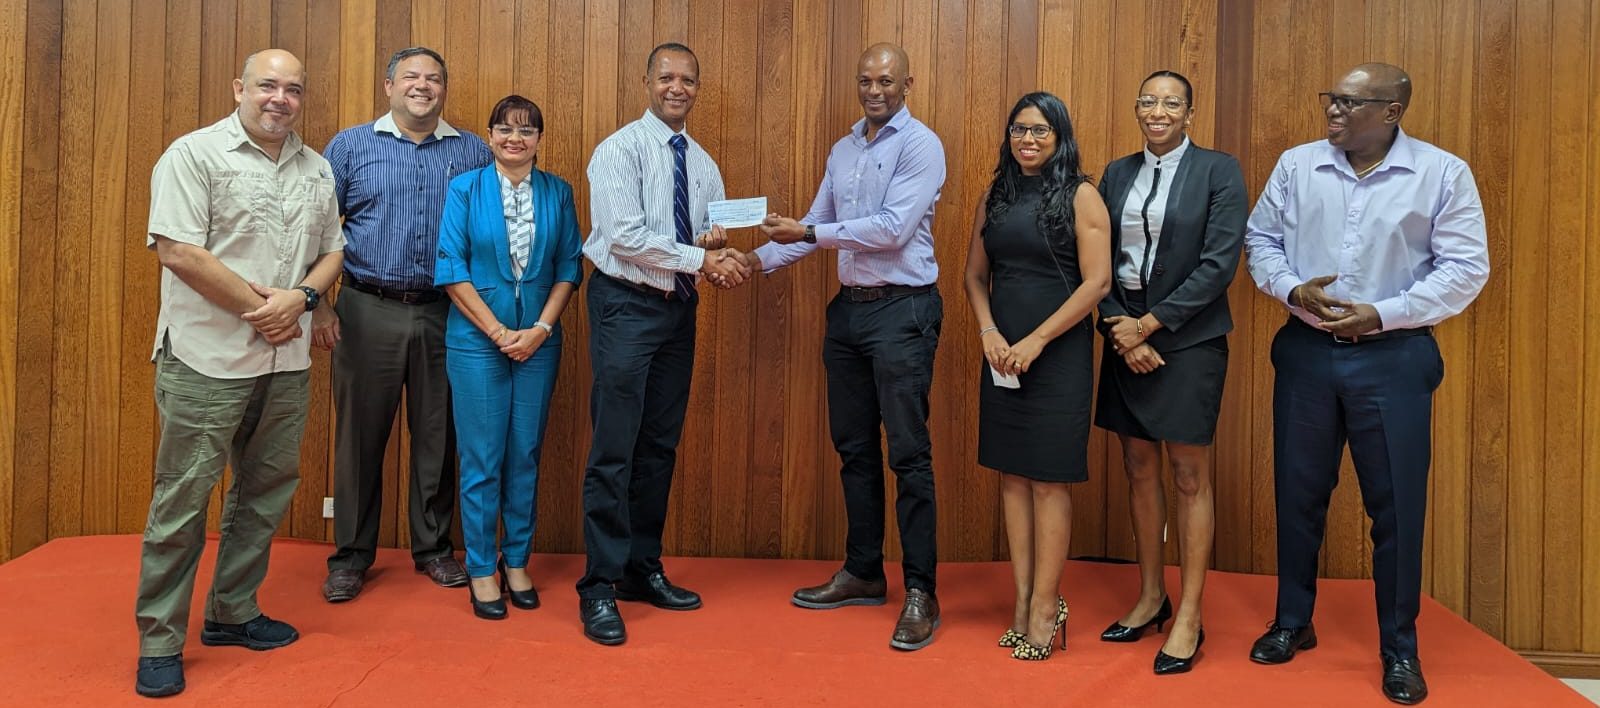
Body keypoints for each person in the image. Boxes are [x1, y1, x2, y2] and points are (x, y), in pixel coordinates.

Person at [1244, 63, 1489, 705]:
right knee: (1297, 495)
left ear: (1391, 112)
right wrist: (1290, 287)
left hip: (1395, 357)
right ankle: (1292, 623)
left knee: (1397, 509)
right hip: (1305, 352)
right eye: (1332, 98)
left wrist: (1381, 313)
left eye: (1351, 103)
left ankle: (1399, 649)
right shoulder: (1298, 166)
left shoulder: (1441, 173)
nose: (1334, 111)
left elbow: (1466, 269)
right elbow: (1261, 241)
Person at [133, 48, 345, 698]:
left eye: (292, 89)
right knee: (184, 499)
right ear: (239, 89)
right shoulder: (193, 155)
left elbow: (332, 248)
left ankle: (232, 610)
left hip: (284, 362)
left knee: (266, 489)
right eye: (267, 86)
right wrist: (266, 310)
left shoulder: (316, 169)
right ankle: (160, 640)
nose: (280, 98)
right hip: (207, 359)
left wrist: (307, 302)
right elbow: (179, 251)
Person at [750, 43, 948, 651]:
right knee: (854, 449)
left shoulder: (922, 146)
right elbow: (811, 229)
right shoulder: (843, 150)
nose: (875, 90)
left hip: (904, 310)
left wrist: (807, 230)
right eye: (866, 80)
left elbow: (890, 231)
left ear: (907, 83)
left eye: (886, 80)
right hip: (850, 317)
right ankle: (864, 570)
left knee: (908, 455)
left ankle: (921, 590)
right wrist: (742, 260)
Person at [576, 42, 751, 645]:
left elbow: (704, 237)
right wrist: (704, 256)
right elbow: (624, 236)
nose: (677, 87)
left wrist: (719, 249)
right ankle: (598, 586)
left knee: (658, 447)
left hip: (678, 311)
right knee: (614, 449)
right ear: (647, 81)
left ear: (698, 88)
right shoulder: (618, 149)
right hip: (625, 304)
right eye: (667, 77)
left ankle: (640, 570)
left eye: (688, 80)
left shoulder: (702, 164)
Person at [319, 47, 492, 602]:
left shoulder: (471, 151)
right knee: (359, 437)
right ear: (389, 84)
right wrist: (318, 302)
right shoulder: (350, 147)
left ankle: (435, 549)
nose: (423, 86)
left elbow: (486, 230)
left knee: (438, 434)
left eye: (434, 78)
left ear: (445, 89)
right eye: (412, 77)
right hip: (366, 306)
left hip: (447, 310)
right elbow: (320, 230)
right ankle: (350, 556)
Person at [1092, 71, 1247, 675]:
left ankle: (1189, 614)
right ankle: (1151, 595)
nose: (1158, 111)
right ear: (1136, 107)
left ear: (1190, 111)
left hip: (1187, 340)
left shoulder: (1219, 170)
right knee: (1137, 467)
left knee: (1187, 474)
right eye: (1149, 101)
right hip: (1123, 335)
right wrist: (1119, 327)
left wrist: (1149, 325)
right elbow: (1095, 259)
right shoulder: (1116, 173)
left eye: (1171, 103)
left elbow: (1218, 264)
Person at [962, 92, 1111, 661]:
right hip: (1001, 355)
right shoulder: (994, 195)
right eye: (1019, 130)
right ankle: (1022, 600)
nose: (1027, 140)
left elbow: (1095, 285)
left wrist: (1036, 340)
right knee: (1012, 478)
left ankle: (1049, 605)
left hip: (1058, 356)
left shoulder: (1082, 195)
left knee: (1048, 480)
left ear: (1060, 137)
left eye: (1040, 131)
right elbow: (976, 277)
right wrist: (990, 335)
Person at [433, 94, 583, 620]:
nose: (514, 138)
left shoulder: (558, 192)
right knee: (481, 459)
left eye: (526, 130)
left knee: (524, 455)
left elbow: (568, 267)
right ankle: (479, 566)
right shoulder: (464, 189)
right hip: (477, 344)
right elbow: (450, 267)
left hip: (539, 345)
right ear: (490, 135)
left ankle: (516, 560)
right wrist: (499, 331)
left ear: (540, 139)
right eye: (504, 129)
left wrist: (540, 329)